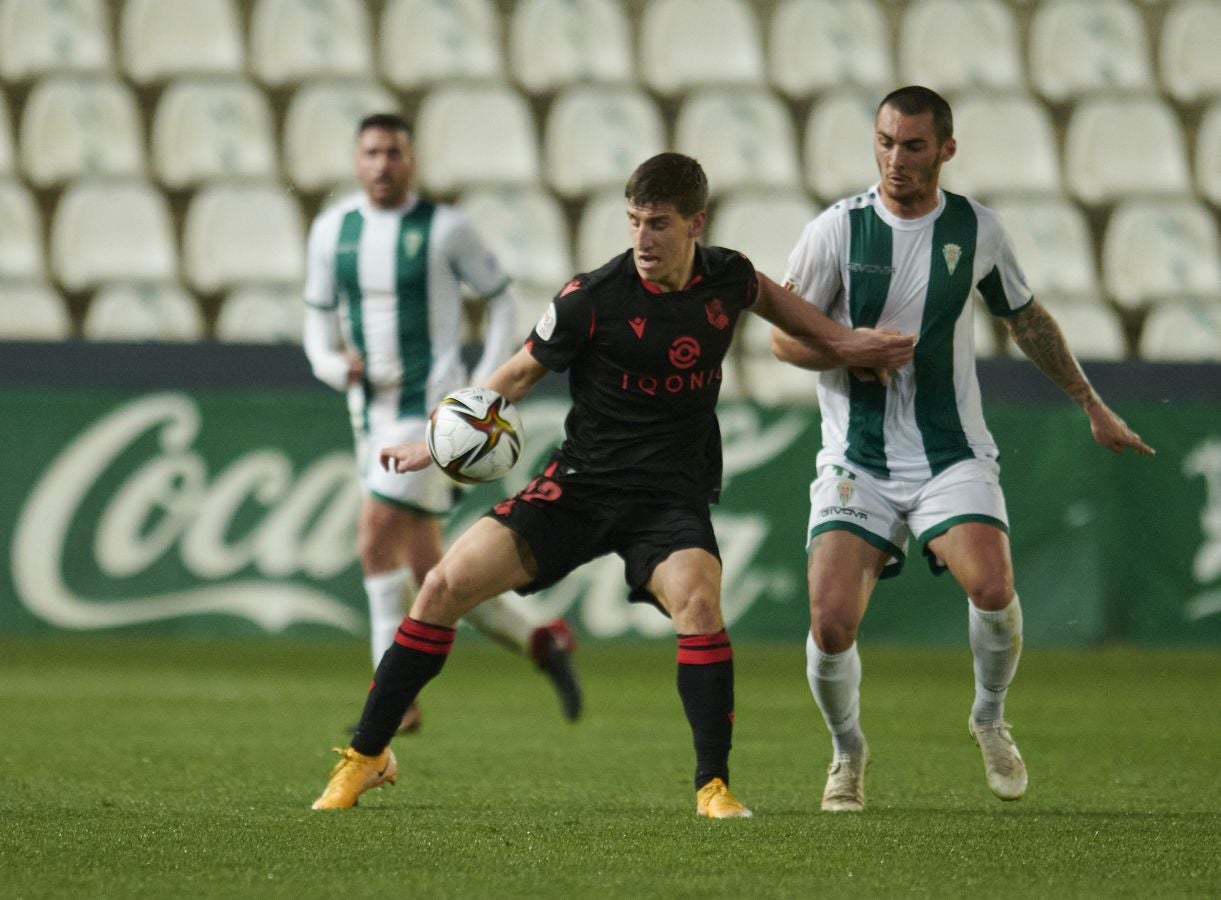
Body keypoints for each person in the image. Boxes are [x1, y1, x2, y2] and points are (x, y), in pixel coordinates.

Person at [310, 151, 916, 816]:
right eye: (632, 222)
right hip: (578, 488)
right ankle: (369, 756)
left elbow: (777, 302)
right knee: (441, 586)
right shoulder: (589, 298)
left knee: (700, 606)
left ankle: (712, 785)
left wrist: (846, 344)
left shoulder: (727, 278)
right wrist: (435, 442)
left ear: (695, 223)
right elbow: (513, 376)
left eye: (657, 223)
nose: (641, 239)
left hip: (667, 501)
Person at [771, 86, 1156, 812]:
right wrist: (844, 351)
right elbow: (780, 337)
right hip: (857, 458)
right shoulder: (834, 232)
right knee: (829, 620)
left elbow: (1026, 319)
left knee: (991, 587)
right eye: (884, 141)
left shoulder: (977, 229)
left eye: (912, 145)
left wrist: (1090, 404)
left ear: (945, 149)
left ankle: (988, 716)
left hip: (950, 454)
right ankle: (847, 752)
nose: (894, 159)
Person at [302, 112, 583, 733]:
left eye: (394, 152)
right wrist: (331, 365)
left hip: (428, 413)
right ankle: (543, 640)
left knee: (374, 539)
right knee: (433, 572)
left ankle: (392, 700)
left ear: (413, 160)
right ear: (356, 161)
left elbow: (504, 298)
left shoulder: (446, 229)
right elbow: (316, 322)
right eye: (371, 153)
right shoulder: (331, 231)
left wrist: (476, 394)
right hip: (366, 415)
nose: (382, 164)